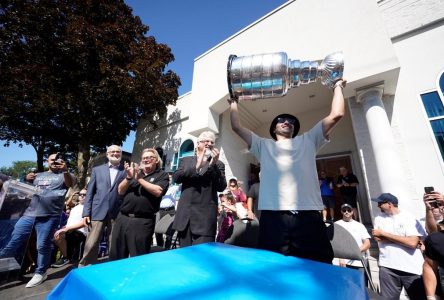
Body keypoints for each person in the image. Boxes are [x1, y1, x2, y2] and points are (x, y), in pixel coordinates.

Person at [228, 79, 346, 263]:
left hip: (308, 216)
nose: (286, 121)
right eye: (281, 120)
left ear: (295, 129)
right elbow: (236, 127)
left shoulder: (309, 140)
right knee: (272, 268)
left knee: (317, 267)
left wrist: (337, 86)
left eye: (291, 121)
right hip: (273, 217)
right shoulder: (262, 145)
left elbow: (337, 114)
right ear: (273, 128)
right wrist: (234, 103)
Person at [0, 153, 75, 288]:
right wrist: (25, 178)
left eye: (58, 160)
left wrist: (65, 171)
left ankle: (41, 272)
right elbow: (22, 189)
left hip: (49, 216)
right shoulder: (38, 175)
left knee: (42, 245)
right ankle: (6, 269)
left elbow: (70, 183)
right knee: (14, 239)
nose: (55, 162)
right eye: (52, 160)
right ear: (47, 161)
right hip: (29, 214)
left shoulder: (65, 175)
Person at [109, 148, 169, 260]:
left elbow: (158, 191)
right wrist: (128, 177)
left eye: (150, 157)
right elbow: (120, 191)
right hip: (122, 219)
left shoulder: (162, 175)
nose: (146, 160)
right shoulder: (133, 172)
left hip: (142, 222)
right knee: (116, 255)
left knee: (138, 257)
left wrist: (139, 179)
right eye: (144, 158)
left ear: (156, 160)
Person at [172, 131, 227, 247]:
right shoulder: (186, 160)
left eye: (212, 142)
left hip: (205, 219)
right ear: (197, 144)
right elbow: (176, 178)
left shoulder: (219, 164)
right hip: (185, 217)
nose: (209, 143)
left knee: (202, 257)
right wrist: (197, 165)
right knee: (184, 257)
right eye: (206, 141)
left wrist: (213, 165)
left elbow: (221, 186)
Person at [372, 193, 426, 300]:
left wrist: (384, 234)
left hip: (412, 268)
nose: (378, 206)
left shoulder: (408, 217)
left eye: (380, 203)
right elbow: (377, 238)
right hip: (387, 267)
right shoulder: (378, 218)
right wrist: (404, 239)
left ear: (389, 204)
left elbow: (412, 243)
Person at [79, 145, 126, 267]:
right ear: (107, 154)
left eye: (118, 152)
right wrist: (86, 213)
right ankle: (85, 268)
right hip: (97, 211)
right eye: (113, 151)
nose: (115, 153)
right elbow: (90, 193)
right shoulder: (97, 169)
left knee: (114, 243)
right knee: (91, 243)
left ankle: (112, 268)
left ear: (121, 155)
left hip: (117, 212)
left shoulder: (125, 171)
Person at [335, 203, 371, 283]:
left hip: (359, 262)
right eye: (344, 210)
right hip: (342, 263)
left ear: (352, 212)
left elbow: (367, 243)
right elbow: (335, 243)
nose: (346, 212)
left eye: (349, 210)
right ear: (341, 212)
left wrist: (354, 252)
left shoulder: (359, 225)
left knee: (361, 288)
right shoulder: (336, 225)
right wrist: (341, 258)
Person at [52, 189, 88, 267]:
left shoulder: (88, 207)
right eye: (80, 194)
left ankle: (65, 258)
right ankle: (65, 257)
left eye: (84, 194)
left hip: (79, 232)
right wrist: (73, 195)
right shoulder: (75, 206)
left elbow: (84, 223)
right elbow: (68, 203)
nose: (81, 196)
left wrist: (67, 229)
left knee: (59, 235)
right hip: (68, 231)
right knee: (55, 236)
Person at [422, 190, 444, 300]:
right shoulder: (435, 239)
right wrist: (431, 297)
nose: (440, 208)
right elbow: (429, 266)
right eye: (440, 205)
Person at [155, 173, 180, 249]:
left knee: (169, 233)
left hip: (170, 211)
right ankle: (160, 247)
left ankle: (167, 248)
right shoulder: (159, 188)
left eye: (170, 178)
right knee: (157, 231)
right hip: (160, 211)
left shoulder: (174, 188)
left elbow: (182, 186)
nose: (168, 179)